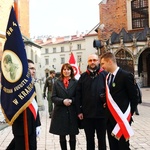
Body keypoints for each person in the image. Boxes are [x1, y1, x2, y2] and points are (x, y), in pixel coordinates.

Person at [100, 52, 138, 150]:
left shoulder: (126, 76)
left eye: (103, 63)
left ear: (109, 61)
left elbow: (134, 97)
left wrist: (129, 115)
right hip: (109, 119)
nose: (101, 66)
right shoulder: (108, 77)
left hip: (122, 118)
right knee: (113, 146)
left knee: (123, 146)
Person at [6, 59, 41, 150]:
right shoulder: (16, 87)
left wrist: (38, 124)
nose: (34, 71)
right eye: (31, 68)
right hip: (21, 127)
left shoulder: (31, 85)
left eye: (34, 69)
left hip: (32, 126)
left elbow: (35, 106)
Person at [75, 54, 107, 150]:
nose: (92, 62)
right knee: (89, 140)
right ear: (88, 62)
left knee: (102, 139)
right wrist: (79, 111)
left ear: (98, 61)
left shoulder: (105, 75)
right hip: (87, 114)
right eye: (90, 60)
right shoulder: (83, 77)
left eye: (94, 60)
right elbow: (78, 95)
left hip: (102, 114)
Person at [49, 63, 79, 150]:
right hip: (60, 112)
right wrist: (62, 101)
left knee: (72, 135)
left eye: (68, 69)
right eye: (64, 69)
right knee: (62, 136)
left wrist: (71, 100)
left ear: (71, 71)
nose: (66, 71)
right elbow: (53, 97)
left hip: (71, 112)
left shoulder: (75, 82)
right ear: (62, 71)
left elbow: (78, 97)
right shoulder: (57, 83)